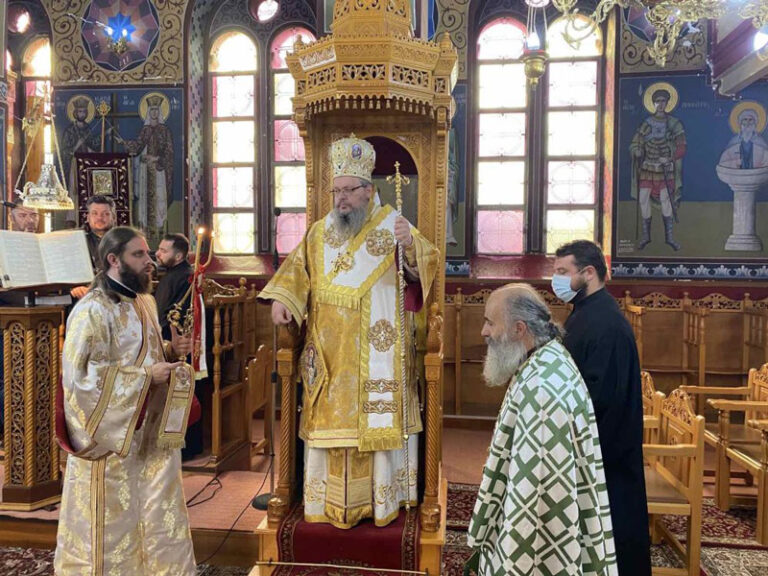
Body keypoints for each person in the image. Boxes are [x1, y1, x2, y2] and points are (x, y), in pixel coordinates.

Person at [259, 134, 439, 528]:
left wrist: (410, 247)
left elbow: (424, 272)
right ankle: (326, 502)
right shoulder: (319, 232)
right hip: (330, 354)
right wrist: (283, 300)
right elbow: (297, 273)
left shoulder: (394, 226)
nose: (340, 199)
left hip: (379, 353)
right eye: (336, 191)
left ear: (367, 191)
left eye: (348, 191)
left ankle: (380, 501)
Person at [54, 226, 196, 575]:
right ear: (113, 260)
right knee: (113, 523)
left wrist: (170, 349)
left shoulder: (144, 301)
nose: (149, 261)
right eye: (139, 254)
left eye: (148, 253)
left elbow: (145, 353)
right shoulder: (91, 310)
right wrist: (146, 377)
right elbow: (80, 379)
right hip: (112, 442)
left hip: (147, 435)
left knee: (155, 513)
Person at [466, 284, 617, 576]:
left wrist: (513, 562)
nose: (484, 332)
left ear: (519, 329)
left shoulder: (542, 392)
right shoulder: (546, 358)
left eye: (490, 322)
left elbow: (534, 500)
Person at [552, 240, 651, 576]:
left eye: (563, 271)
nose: (556, 280)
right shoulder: (586, 312)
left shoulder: (606, 324)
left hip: (607, 456)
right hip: (593, 450)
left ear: (589, 273)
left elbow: (601, 398)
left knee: (613, 539)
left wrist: (574, 449)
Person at [630, 86, 686, 251]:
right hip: (648, 168)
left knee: (666, 201)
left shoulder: (674, 123)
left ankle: (669, 238)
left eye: (664, 101)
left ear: (668, 103)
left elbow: (681, 146)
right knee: (643, 199)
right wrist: (637, 150)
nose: (661, 104)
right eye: (657, 101)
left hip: (665, 169)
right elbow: (635, 143)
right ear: (653, 103)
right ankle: (646, 236)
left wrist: (669, 158)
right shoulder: (646, 123)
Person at [121, 94, 174, 239]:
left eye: (157, 110)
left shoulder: (165, 131)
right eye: (152, 110)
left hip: (158, 170)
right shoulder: (145, 130)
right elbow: (138, 146)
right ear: (148, 112)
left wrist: (156, 158)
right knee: (145, 199)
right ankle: (145, 231)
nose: (154, 113)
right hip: (145, 171)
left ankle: (159, 230)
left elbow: (169, 152)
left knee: (159, 198)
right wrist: (126, 144)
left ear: (160, 112)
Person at [61, 96, 99, 227]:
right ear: (75, 113)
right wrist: (76, 146)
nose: (82, 114)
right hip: (74, 166)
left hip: (87, 167)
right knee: (75, 193)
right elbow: (65, 151)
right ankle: (73, 220)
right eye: (79, 111)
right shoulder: (70, 130)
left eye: (84, 111)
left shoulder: (88, 129)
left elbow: (93, 146)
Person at [70, 195, 117, 300]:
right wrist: (75, 287)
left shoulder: (125, 242)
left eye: (105, 214)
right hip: (83, 297)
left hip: (116, 296)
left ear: (113, 217)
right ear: (88, 217)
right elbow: (69, 272)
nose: (99, 218)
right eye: (95, 213)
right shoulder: (77, 242)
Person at [154, 233, 192, 341]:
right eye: (159, 249)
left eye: (163, 251)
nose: (157, 253)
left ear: (178, 256)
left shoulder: (185, 277)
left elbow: (174, 316)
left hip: (172, 339)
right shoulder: (172, 274)